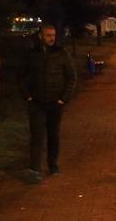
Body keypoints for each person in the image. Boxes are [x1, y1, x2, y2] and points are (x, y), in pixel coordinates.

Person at [18, 24, 77, 183]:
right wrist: (27, 97)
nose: (51, 38)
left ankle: (52, 165)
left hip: (55, 103)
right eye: (48, 35)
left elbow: (71, 77)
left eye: (53, 35)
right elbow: (20, 77)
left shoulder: (62, 54)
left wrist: (63, 99)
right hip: (36, 103)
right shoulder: (32, 54)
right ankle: (35, 169)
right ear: (40, 36)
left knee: (53, 135)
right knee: (37, 136)